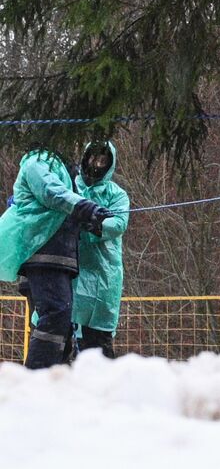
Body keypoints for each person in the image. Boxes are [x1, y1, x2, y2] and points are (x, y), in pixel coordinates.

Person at [0, 143, 110, 368]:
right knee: (55, 315)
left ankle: (48, 380)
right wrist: (84, 207)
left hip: (58, 257)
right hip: (43, 255)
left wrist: (88, 219)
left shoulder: (61, 168)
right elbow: (52, 193)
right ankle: (36, 380)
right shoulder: (37, 161)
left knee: (60, 320)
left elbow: (63, 206)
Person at [72, 141, 131, 358]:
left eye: (103, 160)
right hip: (72, 270)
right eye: (93, 158)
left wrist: (93, 224)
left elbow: (118, 224)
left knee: (98, 346)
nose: (96, 164)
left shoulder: (117, 195)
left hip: (103, 276)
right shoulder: (71, 186)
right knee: (66, 339)